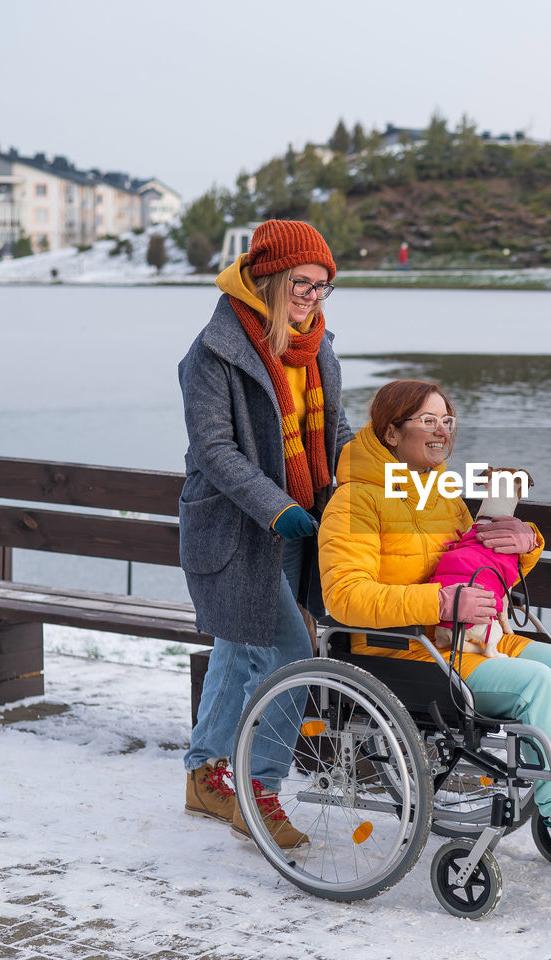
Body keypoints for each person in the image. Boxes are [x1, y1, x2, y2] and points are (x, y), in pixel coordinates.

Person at [318, 379, 551, 872]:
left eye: (447, 421)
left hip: (472, 642)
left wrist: (525, 540)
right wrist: (442, 600)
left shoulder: (440, 491)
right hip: (407, 654)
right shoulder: (354, 502)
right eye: (427, 421)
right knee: (537, 683)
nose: (441, 432)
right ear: (391, 432)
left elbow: (479, 564)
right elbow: (344, 598)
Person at [179, 219, 352, 849]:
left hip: (297, 527)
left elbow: (334, 436)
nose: (311, 298)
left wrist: (375, 474)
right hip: (236, 529)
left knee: (238, 648)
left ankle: (205, 774)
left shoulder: (316, 348)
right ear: (269, 277)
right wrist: (275, 507)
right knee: (291, 659)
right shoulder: (214, 350)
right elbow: (215, 449)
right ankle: (260, 790)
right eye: (301, 284)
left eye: (322, 287)